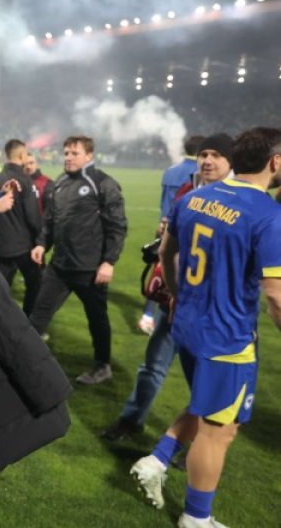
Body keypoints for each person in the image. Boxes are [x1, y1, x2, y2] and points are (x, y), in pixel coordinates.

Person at [130, 127, 281, 528]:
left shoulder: (194, 197)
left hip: (188, 325)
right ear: (275, 162)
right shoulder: (268, 214)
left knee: (210, 403)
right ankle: (196, 518)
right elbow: (276, 296)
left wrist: (177, 295)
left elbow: (165, 252)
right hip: (226, 337)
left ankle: (157, 460)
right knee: (220, 430)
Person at [102, 134, 234, 441]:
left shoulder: (237, 199)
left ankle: (199, 444)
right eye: (204, 154)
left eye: (216, 155)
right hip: (175, 298)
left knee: (205, 377)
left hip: (210, 307)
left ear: (231, 161)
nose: (207, 160)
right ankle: (131, 421)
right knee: (152, 365)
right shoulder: (189, 189)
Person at [29, 135, 127, 384]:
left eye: (75, 153)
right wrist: (42, 244)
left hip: (89, 269)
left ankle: (102, 365)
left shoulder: (102, 183)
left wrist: (109, 261)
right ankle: (23, 363)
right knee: (38, 316)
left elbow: (117, 226)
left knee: (97, 318)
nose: (68, 158)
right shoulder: (60, 183)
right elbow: (50, 221)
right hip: (59, 267)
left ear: (89, 156)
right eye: (66, 153)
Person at [138, 135, 206, 335]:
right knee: (182, 274)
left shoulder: (171, 170)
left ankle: (147, 315)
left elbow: (164, 200)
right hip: (182, 229)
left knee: (159, 272)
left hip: (163, 225)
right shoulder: (199, 174)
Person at [0, 139, 42, 315]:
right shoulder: (25, 180)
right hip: (22, 247)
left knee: (0, 292)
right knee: (36, 284)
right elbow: (33, 217)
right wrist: (40, 240)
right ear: (21, 155)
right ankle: (28, 321)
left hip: (0, 246)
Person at [24, 152, 53, 218]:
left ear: (36, 164)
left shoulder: (47, 182)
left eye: (31, 163)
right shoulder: (17, 182)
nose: (28, 166)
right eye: (25, 164)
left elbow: (49, 209)